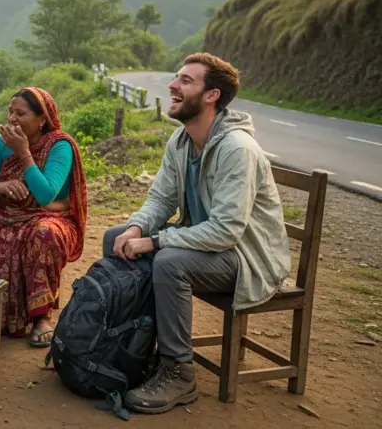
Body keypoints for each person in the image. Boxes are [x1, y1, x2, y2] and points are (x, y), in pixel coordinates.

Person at [104, 53, 290, 414]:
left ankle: (178, 372)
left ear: (211, 96)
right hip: (205, 245)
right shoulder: (182, 140)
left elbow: (225, 231)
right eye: (177, 78)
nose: (173, 85)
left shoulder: (237, 149)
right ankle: (128, 346)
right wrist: (138, 227)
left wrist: (155, 241)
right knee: (116, 237)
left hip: (246, 259)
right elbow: (161, 198)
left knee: (170, 263)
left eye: (186, 81)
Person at [0, 88, 87, 345]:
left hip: (46, 216)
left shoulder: (60, 146)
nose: (12, 119)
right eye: (10, 111)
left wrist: (23, 152)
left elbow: (45, 194)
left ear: (42, 119)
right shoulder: (0, 144)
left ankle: (41, 317)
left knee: (45, 233)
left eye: (20, 113)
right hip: (6, 212)